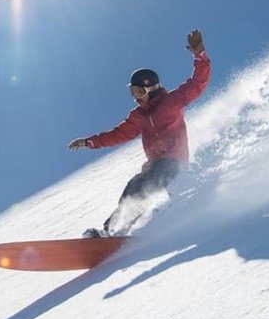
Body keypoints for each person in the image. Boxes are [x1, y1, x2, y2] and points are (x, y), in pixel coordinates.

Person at [68, 29, 211, 236]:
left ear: (151, 89)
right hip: (154, 165)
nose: (136, 97)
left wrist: (200, 56)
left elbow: (197, 84)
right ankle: (109, 231)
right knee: (133, 186)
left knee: (148, 184)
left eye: (139, 92)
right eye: (132, 92)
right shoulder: (138, 116)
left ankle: (120, 229)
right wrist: (89, 142)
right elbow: (117, 134)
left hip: (174, 162)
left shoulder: (171, 102)